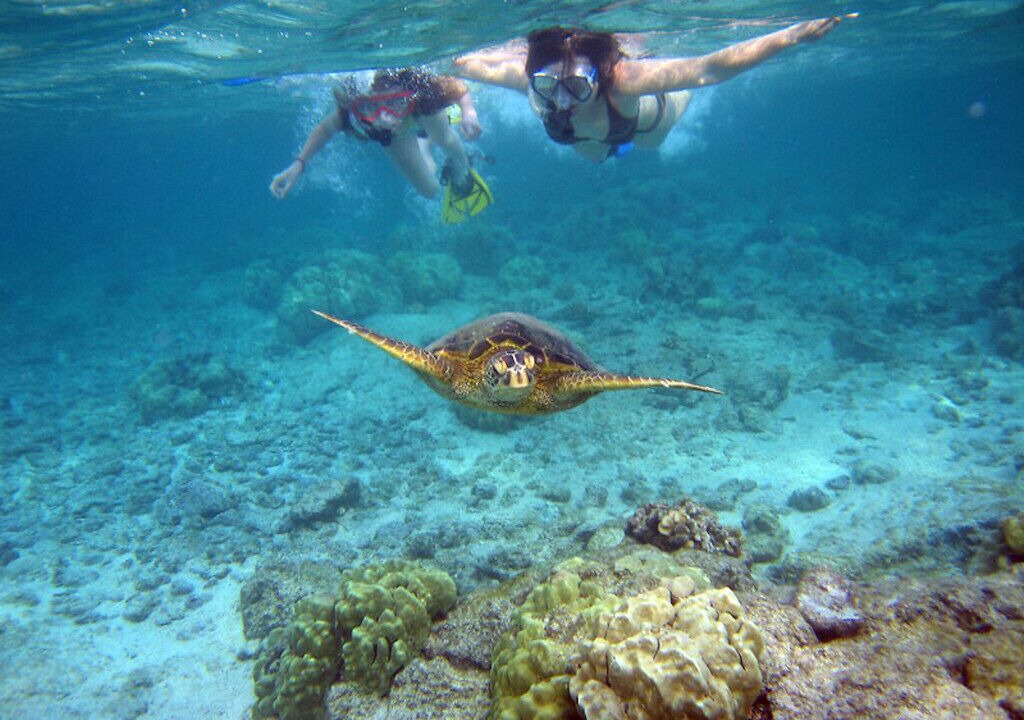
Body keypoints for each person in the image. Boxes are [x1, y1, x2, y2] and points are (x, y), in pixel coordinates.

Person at [452, 16, 849, 163]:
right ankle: (608, 151)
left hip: (645, 123)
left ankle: (677, 109)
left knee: (650, 143)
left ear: (597, 78)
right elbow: (464, 62)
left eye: (575, 87)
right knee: (592, 156)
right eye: (546, 86)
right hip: (590, 139)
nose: (560, 100)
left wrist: (789, 38)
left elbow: (708, 69)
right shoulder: (528, 81)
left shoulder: (623, 80)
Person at [270, 67, 493, 222]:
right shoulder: (349, 114)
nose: (384, 118)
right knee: (430, 191)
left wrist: (469, 113)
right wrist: (298, 165)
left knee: (446, 139)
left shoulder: (424, 94)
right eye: (369, 107)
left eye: (394, 102)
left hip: (419, 115)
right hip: (394, 137)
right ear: (356, 106)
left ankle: (461, 166)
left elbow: (458, 88)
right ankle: (424, 143)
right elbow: (326, 129)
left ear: (406, 95)